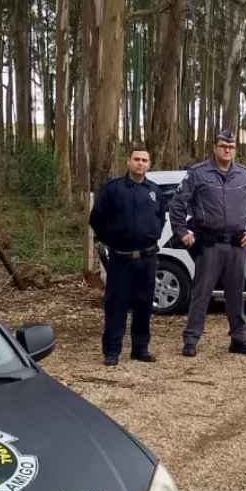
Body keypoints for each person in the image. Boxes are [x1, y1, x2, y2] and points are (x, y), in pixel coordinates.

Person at [167, 129, 246, 358]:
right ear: (215, 147)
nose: (227, 150)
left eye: (231, 147)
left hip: (236, 244)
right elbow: (177, 205)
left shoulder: (244, 175)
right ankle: (191, 339)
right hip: (209, 244)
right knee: (202, 294)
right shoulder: (198, 173)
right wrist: (182, 232)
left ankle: (239, 339)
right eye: (223, 146)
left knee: (236, 295)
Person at [89, 145, 165, 366]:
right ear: (128, 162)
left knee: (144, 304)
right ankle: (112, 351)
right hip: (121, 258)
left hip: (147, 258)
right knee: (116, 306)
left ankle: (140, 348)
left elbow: (161, 218)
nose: (140, 163)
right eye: (136, 159)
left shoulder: (154, 191)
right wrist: (112, 240)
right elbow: (96, 219)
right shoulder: (113, 189)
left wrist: (152, 235)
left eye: (144, 160)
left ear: (149, 164)